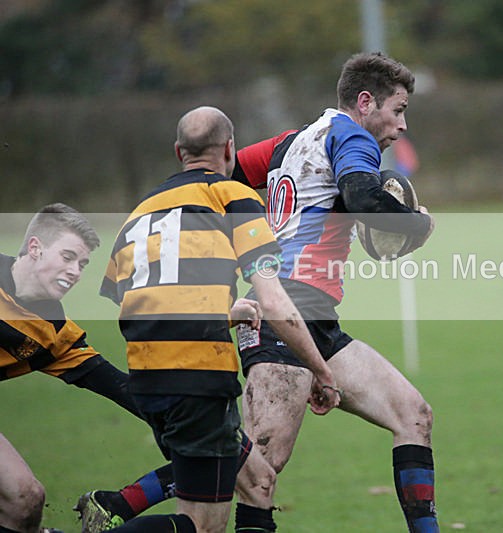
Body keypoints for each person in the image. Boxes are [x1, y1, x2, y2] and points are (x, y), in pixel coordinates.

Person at [98, 106, 340, 533]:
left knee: (257, 482)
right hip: (199, 379)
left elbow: (139, 302)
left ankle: (115, 506)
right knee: (201, 525)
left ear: (179, 152)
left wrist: (226, 312)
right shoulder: (235, 198)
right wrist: (321, 370)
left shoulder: (139, 213)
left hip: (148, 381)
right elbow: (277, 303)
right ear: (230, 149)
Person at [230, 52, 438, 532]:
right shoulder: (352, 136)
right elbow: (364, 196)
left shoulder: (290, 142)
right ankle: (126, 502)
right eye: (399, 109)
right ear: (366, 103)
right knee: (257, 468)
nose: (402, 125)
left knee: (414, 415)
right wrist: (417, 223)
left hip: (315, 319)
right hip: (283, 314)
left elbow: (229, 176)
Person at [0, 203, 141, 533]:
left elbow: (116, 384)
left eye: (82, 263)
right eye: (67, 257)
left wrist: (182, 416)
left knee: (26, 499)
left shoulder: (55, 334)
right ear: (35, 248)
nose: (76, 271)